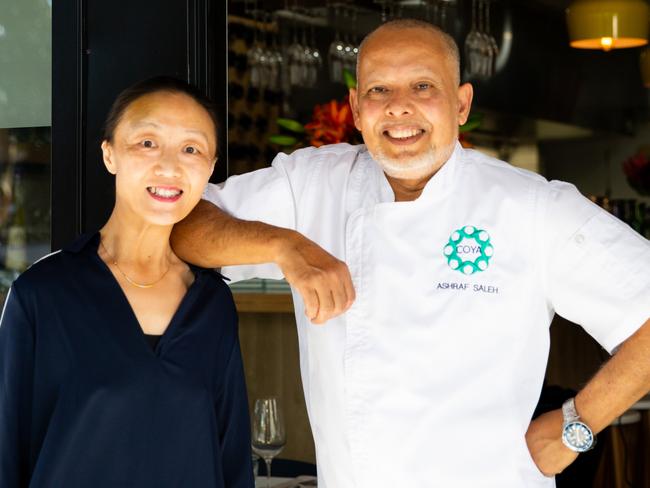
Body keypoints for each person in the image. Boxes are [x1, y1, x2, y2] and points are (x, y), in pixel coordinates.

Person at [171, 20, 650, 488]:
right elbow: (183, 224)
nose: (399, 107)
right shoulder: (312, 184)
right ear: (356, 109)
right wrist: (284, 244)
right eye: (379, 90)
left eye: (423, 86)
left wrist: (575, 427)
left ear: (461, 103)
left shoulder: (531, 207)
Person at [0, 77, 253, 487]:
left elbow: (232, 461)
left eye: (191, 149)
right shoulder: (43, 293)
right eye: (147, 143)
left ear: (209, 168)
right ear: (109, 154)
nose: (169, 166)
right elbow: (7, 453)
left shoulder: (213, 303)